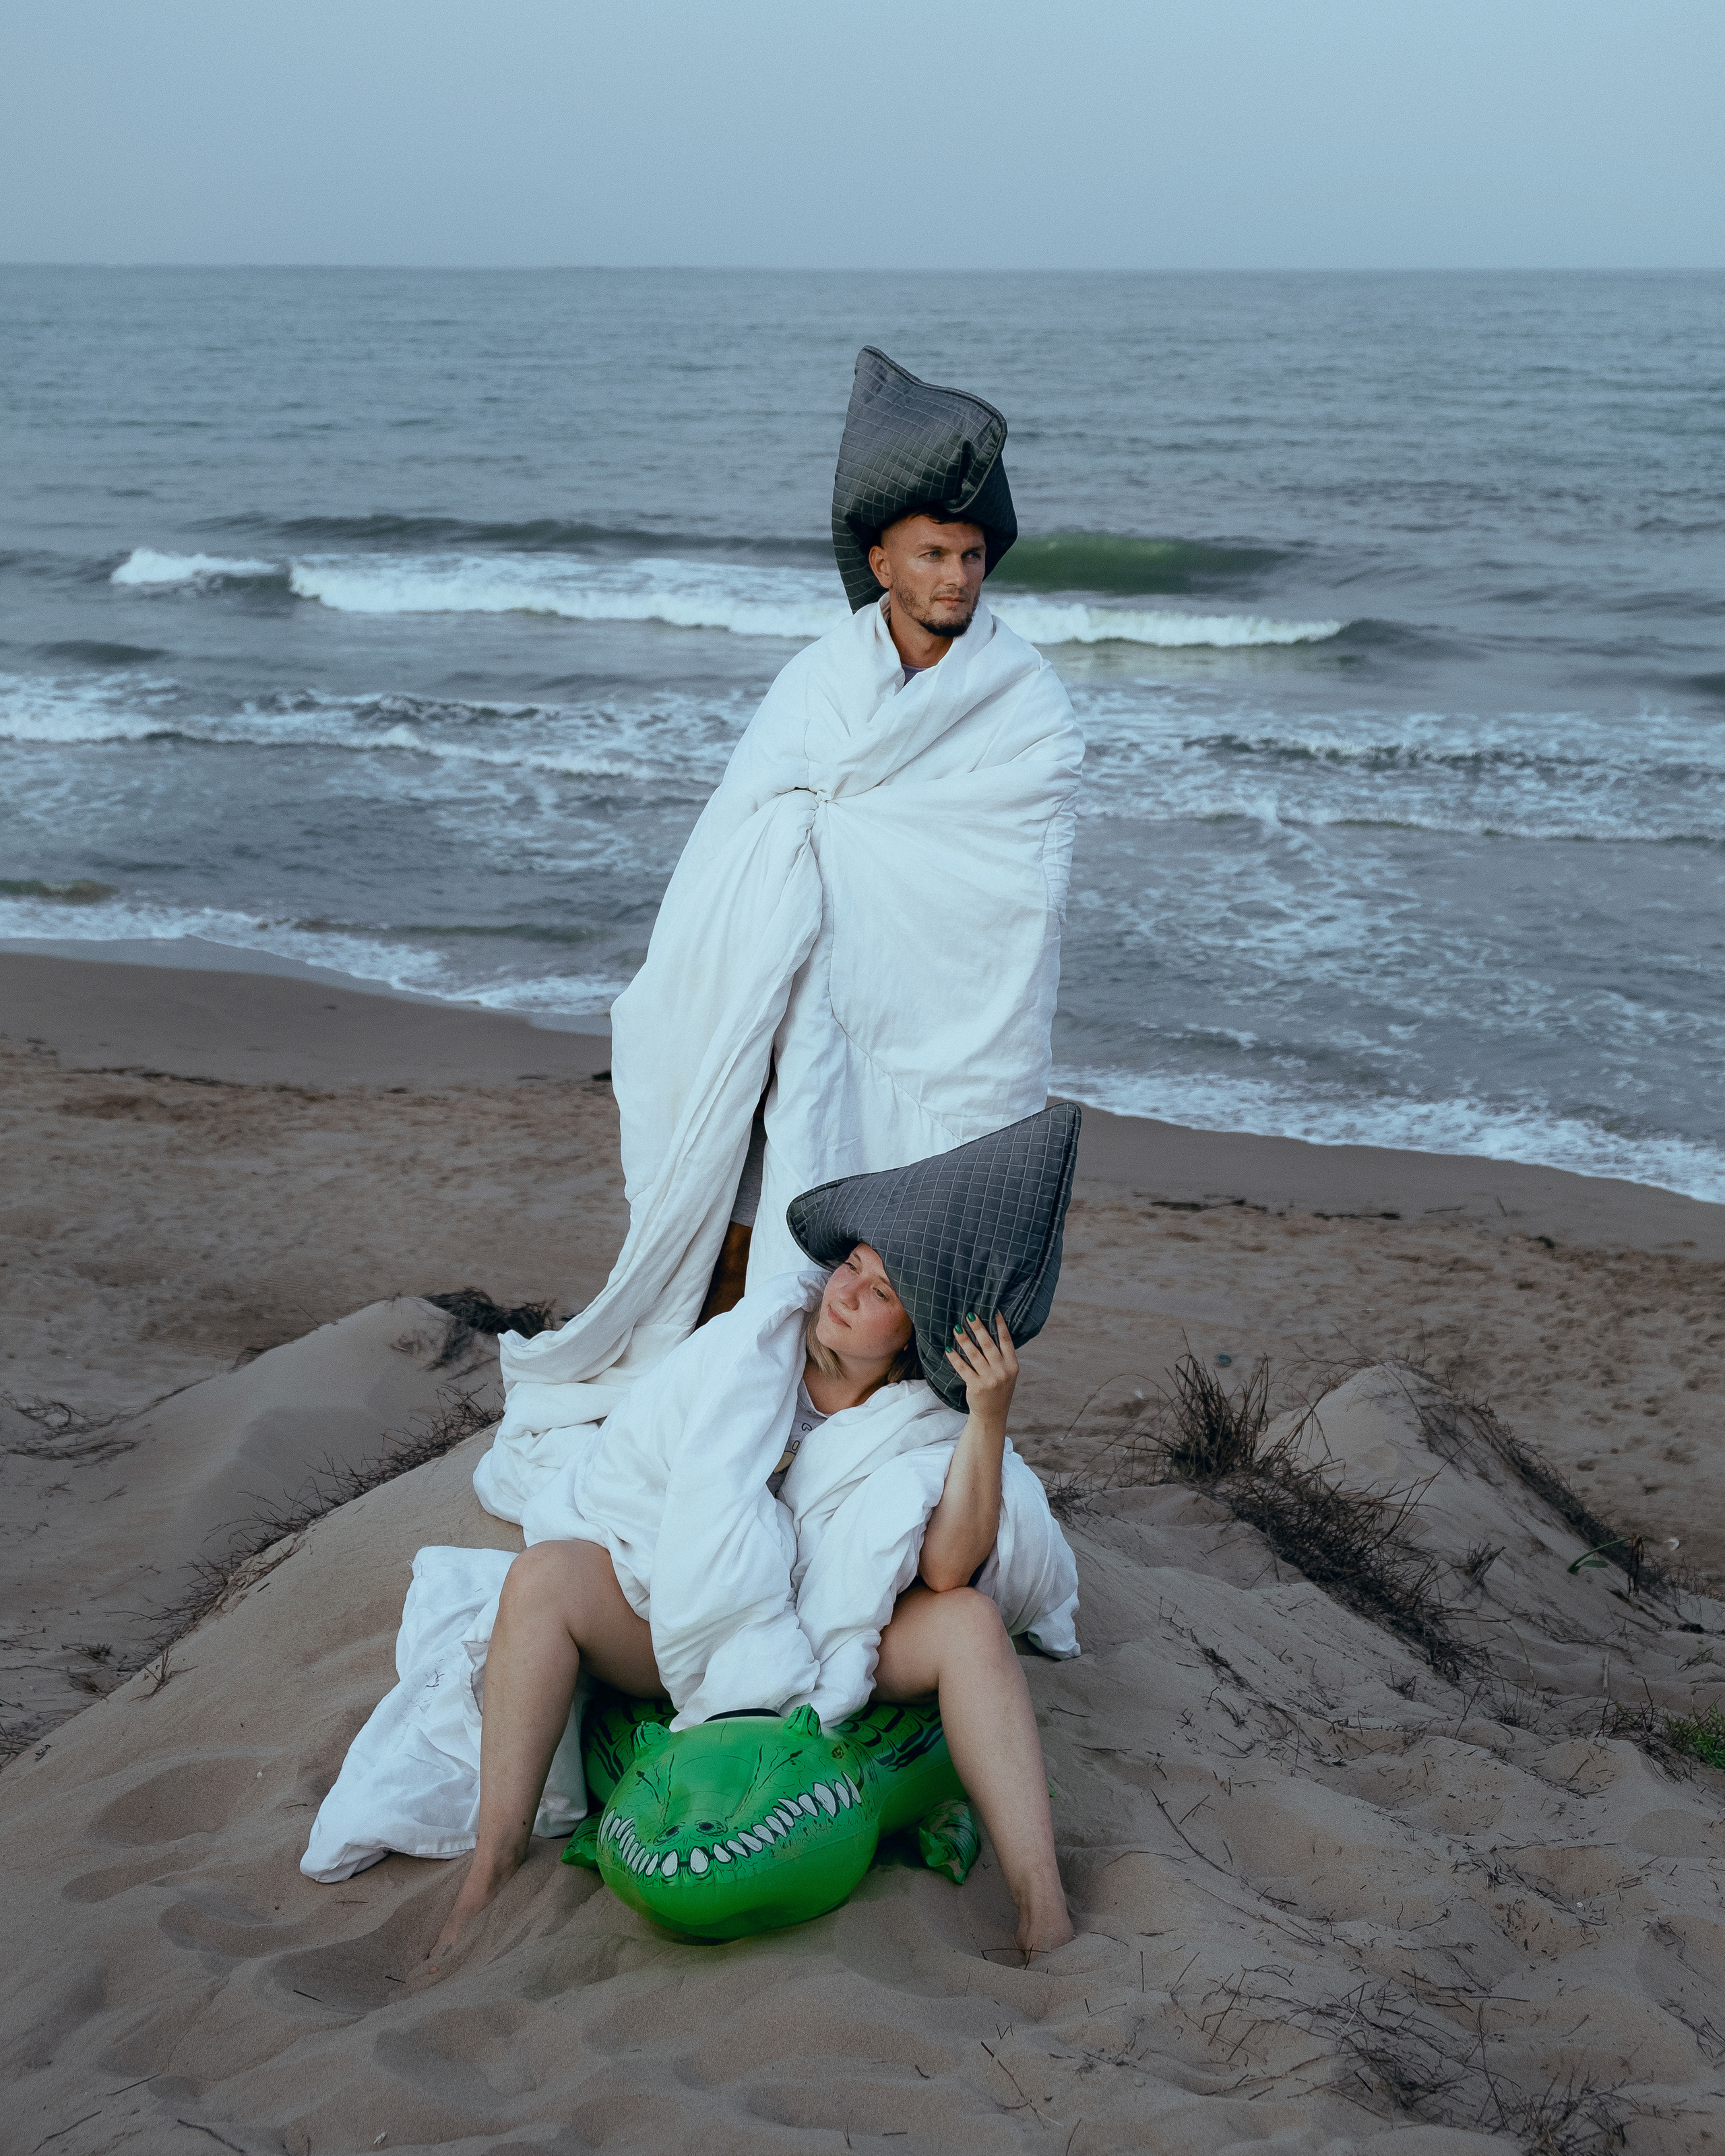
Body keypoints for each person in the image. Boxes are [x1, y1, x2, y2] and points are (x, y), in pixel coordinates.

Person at [474, 346, 1083, 1526]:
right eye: (931, 555)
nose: (956, 576)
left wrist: (858, 866)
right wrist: (813, 875)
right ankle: (740, 1417)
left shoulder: (1029, 701)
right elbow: (744, 829)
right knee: (769, 1208)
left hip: (938, 1008)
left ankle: (888, 1447)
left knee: (913, 1231)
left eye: (970, 555)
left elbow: (1019, 891)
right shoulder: (818, 682)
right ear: (881, 563)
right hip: (798, 995)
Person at [429, 1249, 1072, 1966]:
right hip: (687, 1614)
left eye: (881, 1290)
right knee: (541, 1575)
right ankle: (490, 1871)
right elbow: (643, 1481)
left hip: (839, 1624)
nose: (848, 1291)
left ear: (912, 1338)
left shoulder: (919, 1413)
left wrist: (987, 1416)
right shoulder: (752, 1343)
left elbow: (950, 1569)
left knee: (971, 1624)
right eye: (851, 1265)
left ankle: (1040, 1899)